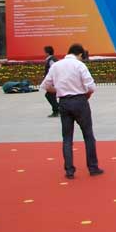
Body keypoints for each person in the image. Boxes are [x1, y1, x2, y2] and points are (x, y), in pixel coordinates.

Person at [40, 43, 104, 179]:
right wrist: (85, 94)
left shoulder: (56, 66)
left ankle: (69, 170)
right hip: (80, 101)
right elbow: (91, 87)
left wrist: (60, 90)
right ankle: (93, 167)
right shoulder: (79, 65)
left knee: (67, 138)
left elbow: (45, 85)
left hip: (64, 102)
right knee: (88, 135)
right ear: (80, 54)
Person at [42, 46, 59, 118]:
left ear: (47, 53)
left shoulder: (51, 60)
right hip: (52, 81)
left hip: (53, 81)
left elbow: (54, 70)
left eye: (45, 52)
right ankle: (57, 109)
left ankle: (57, 110)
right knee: (50, 96)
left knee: (49, 95)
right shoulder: (51, 59)